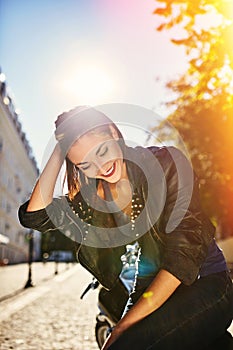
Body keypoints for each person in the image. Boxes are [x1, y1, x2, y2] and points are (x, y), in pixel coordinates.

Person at [18, 106, 233, 350]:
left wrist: (122, 327)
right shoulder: (93, 200)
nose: (101, 167)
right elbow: (34, 217)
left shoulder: (166, 164)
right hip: (147, 289)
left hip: (203, 282)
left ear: (113, 133)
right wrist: (61, 149)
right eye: (85, 164)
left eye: (101, 151)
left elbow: (183, 256)